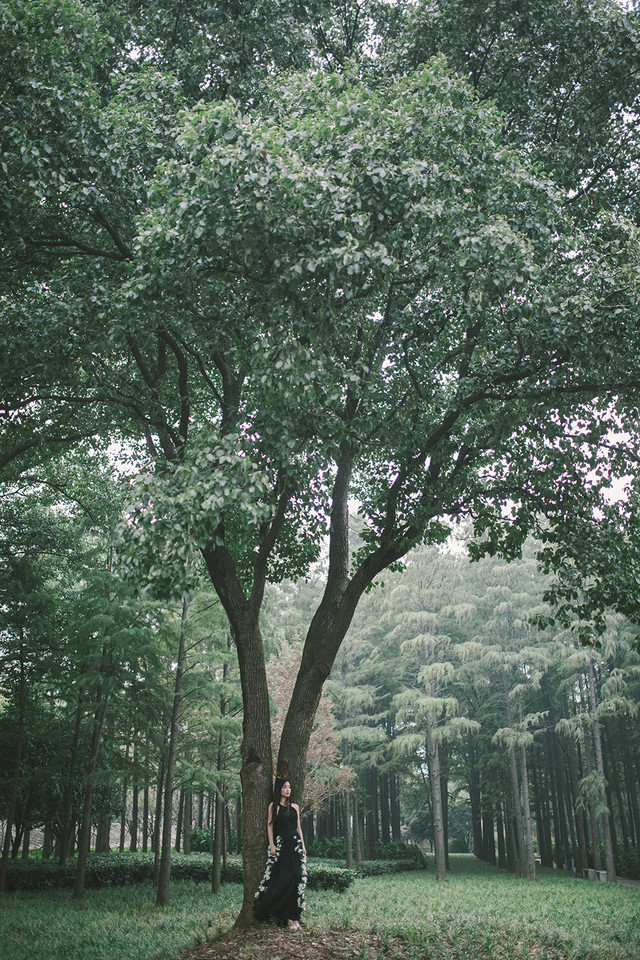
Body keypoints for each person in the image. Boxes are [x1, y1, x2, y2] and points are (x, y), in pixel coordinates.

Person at [253, 776, 307, 930]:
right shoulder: (273, 806)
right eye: (284, 787)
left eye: (289, 787)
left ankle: (294, 917)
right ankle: (286, 918)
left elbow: (298, 828)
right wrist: (272, 845)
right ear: (279, 790)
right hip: (282, 847)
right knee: (285, 879)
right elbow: (269, 826)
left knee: (297, 878)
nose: (287, 790)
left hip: (295, 846)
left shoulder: (295, 807)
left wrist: (303, 845)